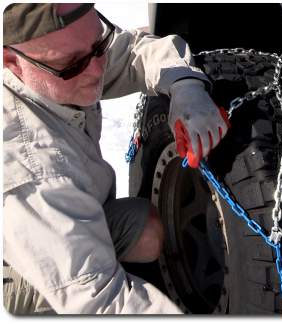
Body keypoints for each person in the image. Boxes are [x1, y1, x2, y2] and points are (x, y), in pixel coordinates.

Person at [3, 3, 229, 314]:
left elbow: (135, 52)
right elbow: (99, 302)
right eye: (72, 64)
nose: (96, 70)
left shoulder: (62, 54)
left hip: (62, 208)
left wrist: (184, 84)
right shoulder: (29, 166)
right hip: (14, 271)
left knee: (145, 229)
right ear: (12, 62)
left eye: (98, 46)